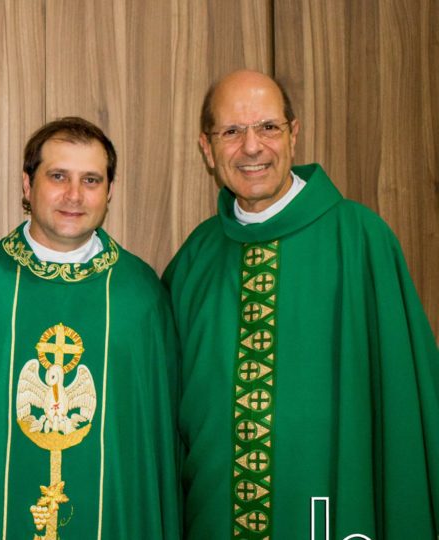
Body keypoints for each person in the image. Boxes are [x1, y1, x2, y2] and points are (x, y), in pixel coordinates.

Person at [163, 69, 439, 539]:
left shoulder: (360, 240)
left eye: (268, 127)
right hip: (214, 517)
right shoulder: (195, 259)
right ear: (207, 149)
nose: (252, 147)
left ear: (294, 133)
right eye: (231, 131)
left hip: (331, 511)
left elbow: (403, 403)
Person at [0, 117, 181, 539]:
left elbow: (152, 441)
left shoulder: (139, 293)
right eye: (58, 176)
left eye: (91, 180)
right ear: (28, 185)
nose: (74, 195)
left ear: (109, 192)